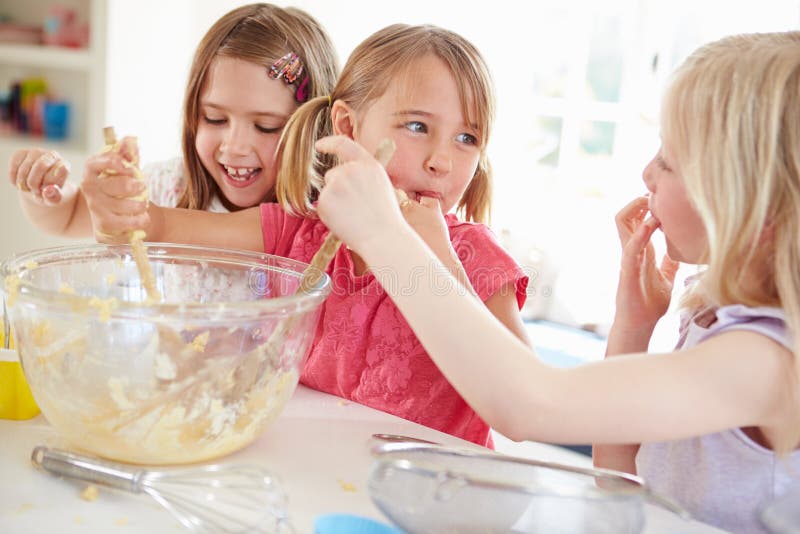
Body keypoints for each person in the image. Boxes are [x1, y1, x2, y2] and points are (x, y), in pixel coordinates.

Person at [312, 31, 800, 533]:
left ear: (754, 203)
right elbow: (620, 488)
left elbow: (529, 407)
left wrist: (385, 236)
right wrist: (632, 328)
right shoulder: (719, 326)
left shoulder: (770, 361)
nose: (647, 173)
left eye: (670, 162)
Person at [84, 24, 531, 447]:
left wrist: (440, 265)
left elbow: (524, 407)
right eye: (417, 126)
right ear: (348, 127)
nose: (442, 161)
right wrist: (120, 197)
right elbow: (155, 227)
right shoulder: (299, 233)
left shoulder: (476, 257)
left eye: (467, 138)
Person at [7, 3, 338, 236]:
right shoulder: (169, 186)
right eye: (214, 118)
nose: (234, 147)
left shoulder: (325, 214)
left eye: (267, 126)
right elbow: (69, 220)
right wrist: (48, 192)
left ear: (314, 126)